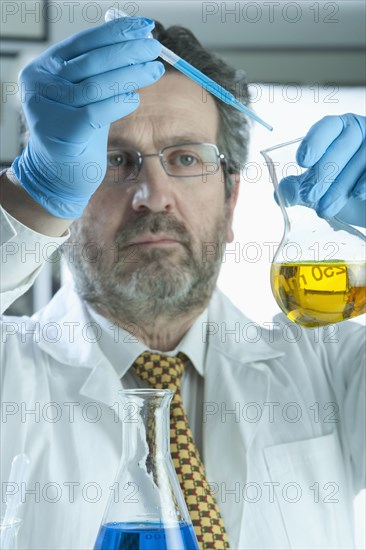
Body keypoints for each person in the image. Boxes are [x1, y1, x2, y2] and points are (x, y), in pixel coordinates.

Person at [0, 15, 365, 550]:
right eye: (112, 160)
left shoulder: (330, 366)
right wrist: (29, 197)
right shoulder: (12, 372)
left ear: (231, 198)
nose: (153, 194)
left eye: (186, 158)